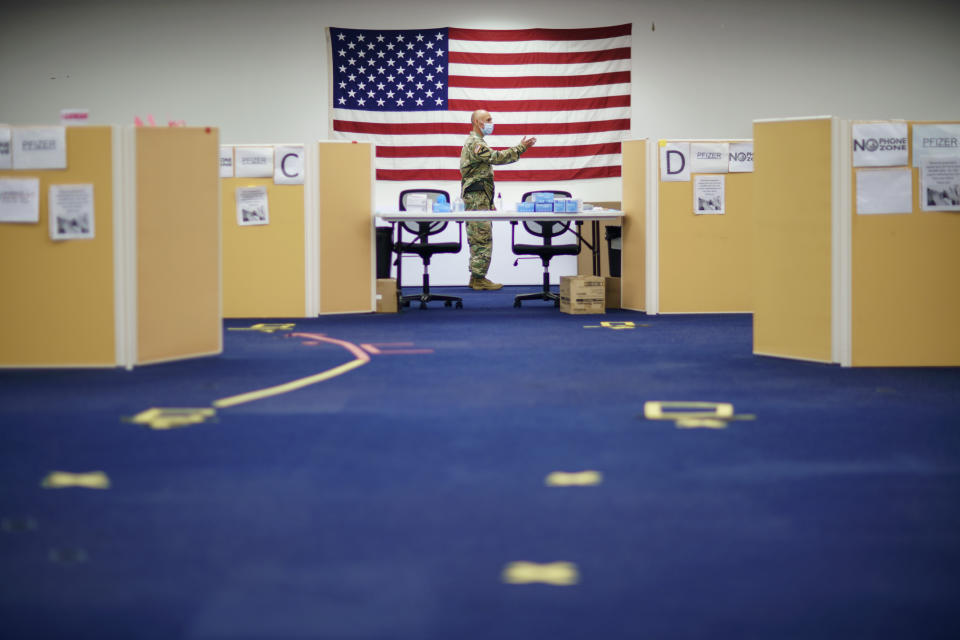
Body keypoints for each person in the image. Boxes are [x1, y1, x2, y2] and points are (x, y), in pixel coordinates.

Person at [459, 110, 536, 290]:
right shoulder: (475, 144)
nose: (491, 122)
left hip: (480, 197)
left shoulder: (476, 143)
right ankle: (478, 279)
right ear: (478, 122)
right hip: (477, 198)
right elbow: (497, 158)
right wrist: (521, 148)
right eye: (488, 120)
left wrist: (489, 202)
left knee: (480, 236)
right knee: (481, 237)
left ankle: (476, 277)